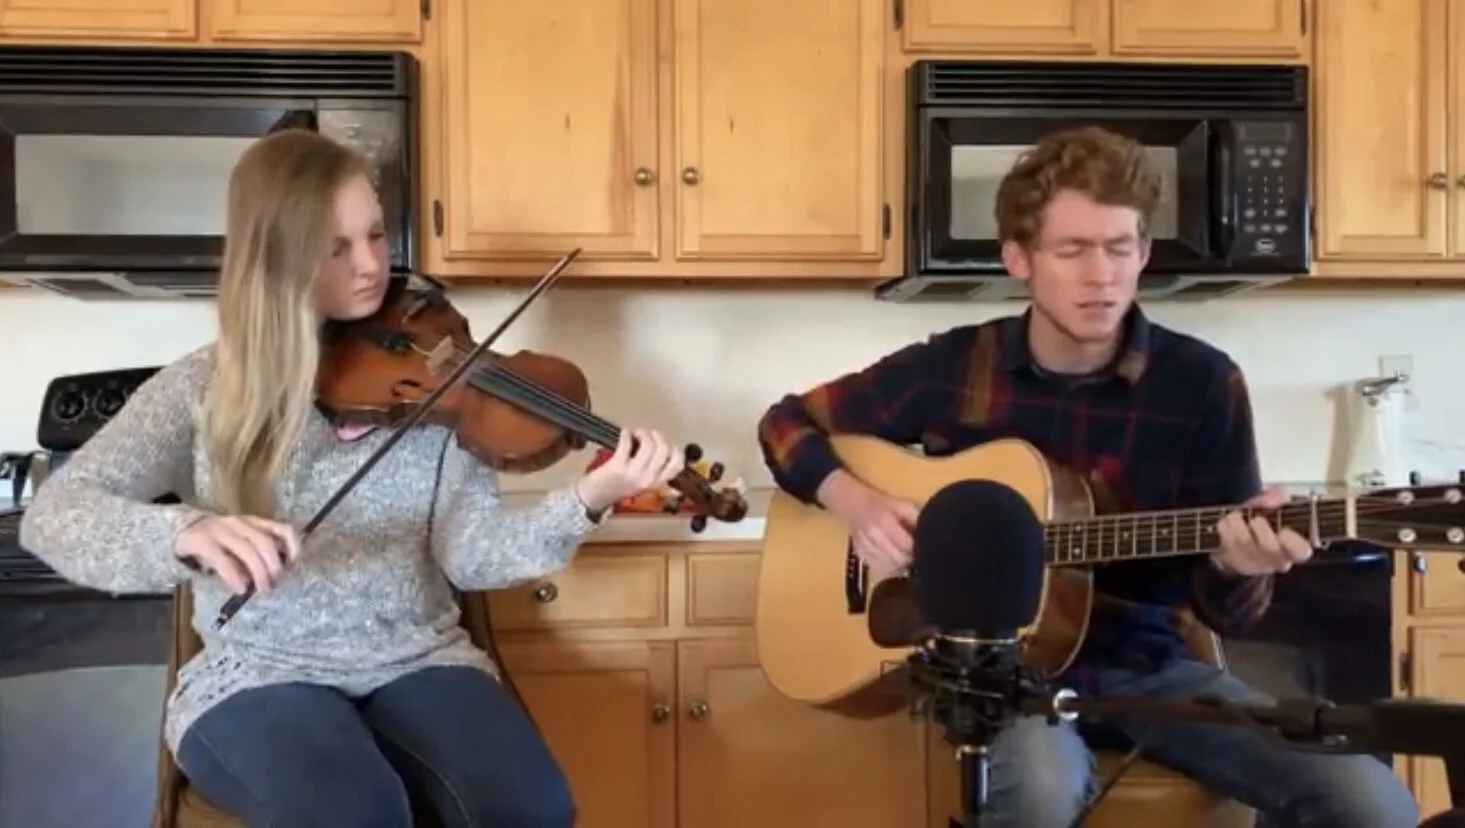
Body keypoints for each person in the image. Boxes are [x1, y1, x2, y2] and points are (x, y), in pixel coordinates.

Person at [19, 128, 684, 828]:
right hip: (261, 671)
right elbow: (56, 514)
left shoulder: (439, 375)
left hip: (416, 657)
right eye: (336, 248)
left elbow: (472, 554)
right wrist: (187, 532)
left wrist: (586, 499)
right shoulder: (203, 385)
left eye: (374, 235)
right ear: (276, 257)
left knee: (531, 807)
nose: (371, 266)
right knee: (355, 811)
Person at [755, 126, 1419, 828]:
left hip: (1151, 670)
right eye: (1072, 250)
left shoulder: (1201, 385)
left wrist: (1240, 565)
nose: (1100, 275)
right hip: (997, 674)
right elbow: (784, 425)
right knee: (1037, 794)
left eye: (1119, 247)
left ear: (1143, 254)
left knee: (1370, 802)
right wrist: (856, 502)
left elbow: (1227, 611)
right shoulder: (955, 368)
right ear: (1020, 259)